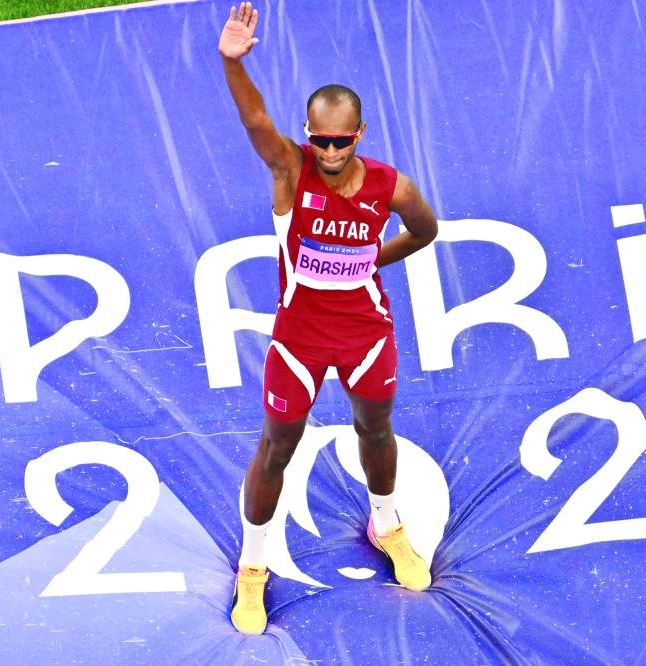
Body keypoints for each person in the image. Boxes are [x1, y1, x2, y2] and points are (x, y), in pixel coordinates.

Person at [218, 3, 439, 636]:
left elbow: (425, 230)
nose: (332, 150)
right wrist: (233, 63)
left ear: (361, 134)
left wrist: (374, 258)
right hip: (299, 340)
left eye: (342, 140)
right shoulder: (293, 170)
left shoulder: (390, 187)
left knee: (376, 429)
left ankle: (387, 524)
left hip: (367, 334)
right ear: (308, 134)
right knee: (276, 446)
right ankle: (253, 568)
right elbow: (254, 118)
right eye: (321, 139)